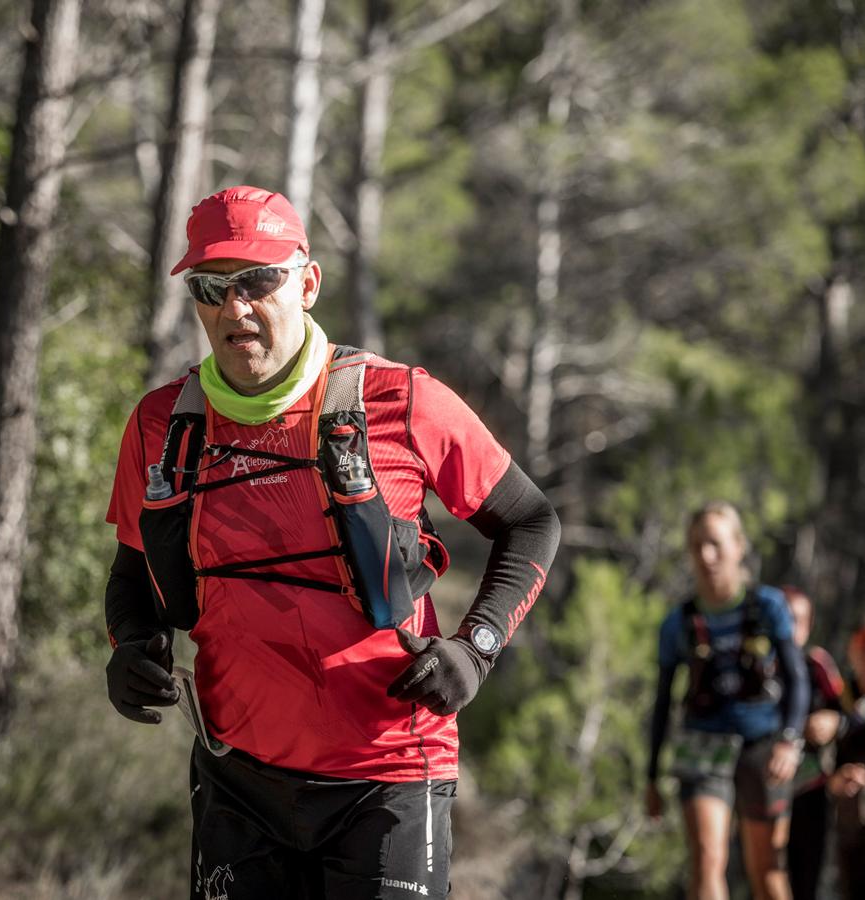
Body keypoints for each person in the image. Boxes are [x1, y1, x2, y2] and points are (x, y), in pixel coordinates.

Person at [102, 185, 560, 899]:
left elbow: (531, 521)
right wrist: (129, 645)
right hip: (237, 777)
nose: (236, 308)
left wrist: (478, 648)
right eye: (211, 287)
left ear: (307, 282)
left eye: (258, 280)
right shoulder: (163, 424)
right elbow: (132, 566)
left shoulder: (401, 401)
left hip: (389, 780)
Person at [645, 502, 808, 900]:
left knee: (766, 866)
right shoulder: (678, 623)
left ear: (738, 547)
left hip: (762, 746)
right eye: (697, 546)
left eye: (715, 544)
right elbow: (663, 702)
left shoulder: (768, 607)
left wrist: (790, 739)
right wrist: (651, 776)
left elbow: (796, 678)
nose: (706, 556)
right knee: (706, 858)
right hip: (702, 748)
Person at [782, 586, 844, 900]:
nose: (791, 628)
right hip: (764, 791)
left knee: (807, 878)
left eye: (798, 620)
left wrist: (831, 723)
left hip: (810, 789)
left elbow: (845, 715)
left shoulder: (817, 666)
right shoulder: (757, 665)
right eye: (785, 618)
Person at [828, 619, 865, 900]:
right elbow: (826, 769)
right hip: (855, 828)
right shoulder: (841, 704)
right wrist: (838, 778)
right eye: (864, 656)